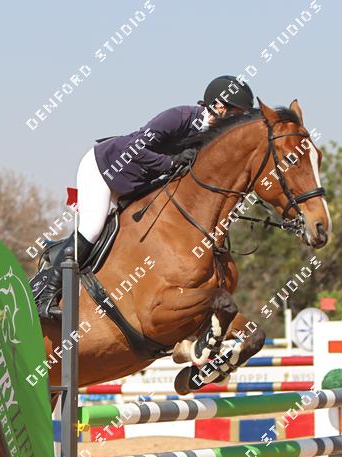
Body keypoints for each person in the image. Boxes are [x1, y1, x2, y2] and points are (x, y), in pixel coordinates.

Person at [31, 75, 255, 319]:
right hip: (106, 168)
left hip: (137, 182)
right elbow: (135, 149)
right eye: (237, 113)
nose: (238, 121)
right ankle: (45, 295)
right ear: (219, 106)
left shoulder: (211, 136)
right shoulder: (179, 117)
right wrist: (170, 162)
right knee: (93, 229)